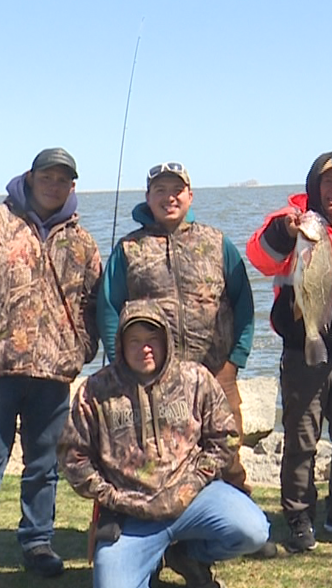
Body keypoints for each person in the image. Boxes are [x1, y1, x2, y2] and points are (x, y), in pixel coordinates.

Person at [0, 148, 102, 588]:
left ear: (72, 186)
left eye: (64, 178)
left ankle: (38, 542)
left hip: (55, 374)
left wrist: (83, 349)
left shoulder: (82, 241)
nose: (54, 184)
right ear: (31, 177)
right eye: (47, 175)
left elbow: (93, 302)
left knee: (45, 466)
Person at [58, 299, 269, 588]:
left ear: (166, 341)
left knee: (254, 530)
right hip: (130, 513)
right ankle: (150, 559)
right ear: (120, 343)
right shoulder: (96, 391)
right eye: (135, 341)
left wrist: (196, 479)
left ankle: (188, 555)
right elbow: (73, 457)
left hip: (192, 498)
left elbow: (225, 437)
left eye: (152, 339)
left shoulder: (195, 380)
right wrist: (110, 496)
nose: (145, 348)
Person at [245, 150, 332, 552]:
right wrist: (285, 233)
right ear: (314, 185)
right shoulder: (292, 221)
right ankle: (299, 515)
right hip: (303, 348)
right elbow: (259, 258)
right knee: (301, 440)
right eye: (328, 182)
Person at [96, 161, 254, 495]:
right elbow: (109, 308)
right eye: (160, 191)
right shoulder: (129, 249)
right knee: (163, 456)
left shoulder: (217, 243)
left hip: (216, 373)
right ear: (148, 197)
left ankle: (238, 521)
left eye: (177, 190)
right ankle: (166, 527)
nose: (170, 198)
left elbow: (244, 304)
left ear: (190, 196)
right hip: (154, 378)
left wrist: (234, 361)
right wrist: (122, 363)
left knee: (227, 449)